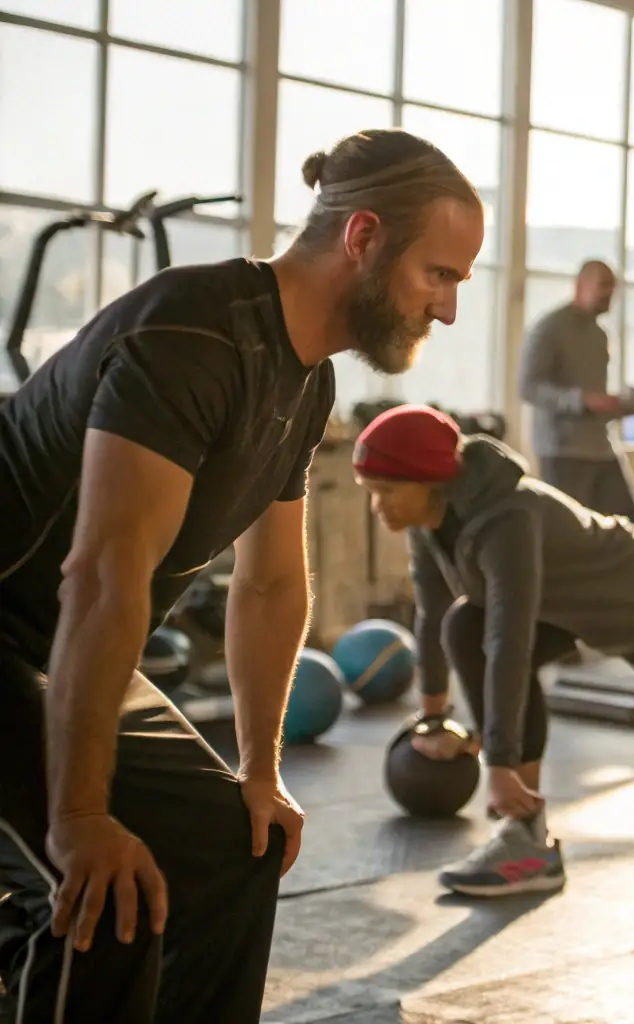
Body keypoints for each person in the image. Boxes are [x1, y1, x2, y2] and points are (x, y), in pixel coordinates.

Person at [0, 128, 486, 1023]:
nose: (448, 309)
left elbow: (270, 584)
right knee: (99, 893)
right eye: (441, 275)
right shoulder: (191, 330)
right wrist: (78, 819)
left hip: (48, 652)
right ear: (364, 238)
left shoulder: (305, 384)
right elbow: (104, 577)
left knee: (237, 841)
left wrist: (260, 771)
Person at [351, 403, 634, 898]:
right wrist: (432, 716)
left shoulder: (508, 517)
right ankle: (526, 835)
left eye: (386, 492)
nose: (377, 507)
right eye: (371, 493)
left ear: (429, 480)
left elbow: (510, 640)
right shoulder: (431, 522)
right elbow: (432, 613)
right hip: (571, 613)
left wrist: (500, 764)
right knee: (465, 622)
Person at [518, 259, 634, 523]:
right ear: (580, 285)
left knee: (632, 526)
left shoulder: (599, 336)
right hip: (563, 451)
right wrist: (580, 400)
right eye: (603, 285)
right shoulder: (549, 328)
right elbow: (528, 387)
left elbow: (595, 400)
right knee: (567, 531)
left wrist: (617, 406)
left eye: (613, 286)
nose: (609, 293)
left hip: (601, 446)